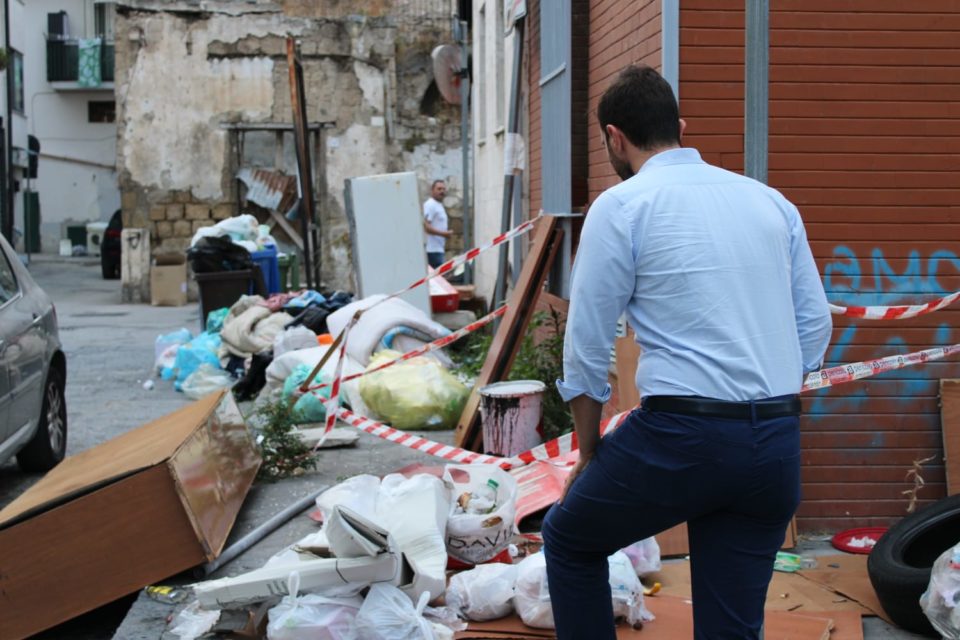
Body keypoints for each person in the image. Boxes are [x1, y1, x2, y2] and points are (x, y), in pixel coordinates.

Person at [541, 65, 833, 639]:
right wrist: (766, 392)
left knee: (570, 538)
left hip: (682, 438)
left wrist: (589, 450)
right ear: (680, 126)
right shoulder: (770, 202)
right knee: (730, 627)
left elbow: (586, 345)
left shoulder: (623, 206)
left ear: (614, 138)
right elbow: (814, 322)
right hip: (774, 442)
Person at [423, 179, 453, 269]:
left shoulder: (438, 205)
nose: (442, 191)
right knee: (439, 278)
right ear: (432, 190)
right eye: (439, 189)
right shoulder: (430, 205)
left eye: (443, 189)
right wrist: (444, 234)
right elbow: (426, 226)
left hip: (438, 248)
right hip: (432, 250)